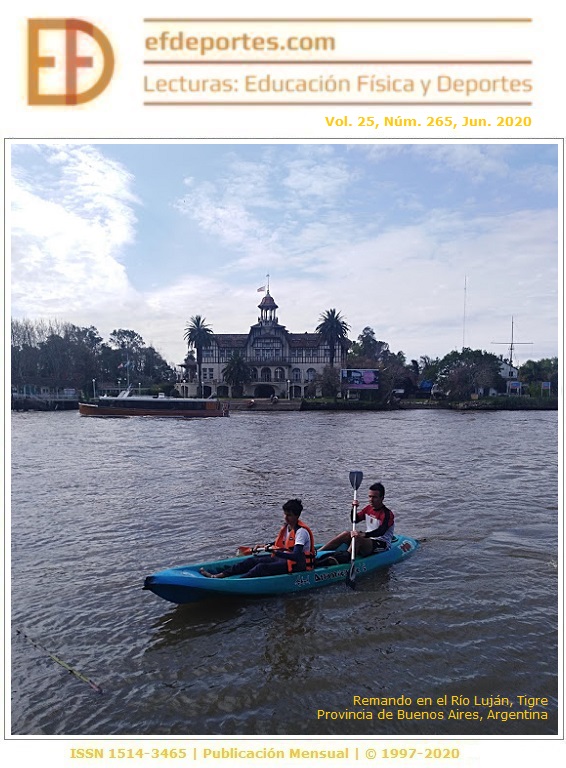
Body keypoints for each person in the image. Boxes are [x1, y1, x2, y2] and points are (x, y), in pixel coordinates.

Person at [200, 498, 315, 578]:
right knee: (252, 560)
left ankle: (239, 582)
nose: (286, 518)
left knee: (261, 567)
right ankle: (219, 575)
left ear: (297, 515)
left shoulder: (301, 532)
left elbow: (295, 556)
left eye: (289, 515)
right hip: (284, 559)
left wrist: (275, 552)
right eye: (285, 514)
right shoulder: (287, 528)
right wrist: (265, 546)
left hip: (297, 565)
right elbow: (282, 544)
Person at [321, 482, 395, 558]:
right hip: (369, 539)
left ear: (382, 498)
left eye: (374, 497)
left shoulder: (387, 514)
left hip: (382, 544)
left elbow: (381, 531)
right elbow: (355, 520)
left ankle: (345, 558)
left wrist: (364, 534)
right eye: (369, 497)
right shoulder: (368, 508)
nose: (371, 500)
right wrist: (353, 508)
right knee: (346, 534)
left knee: (357, 539)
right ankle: (319, 552)